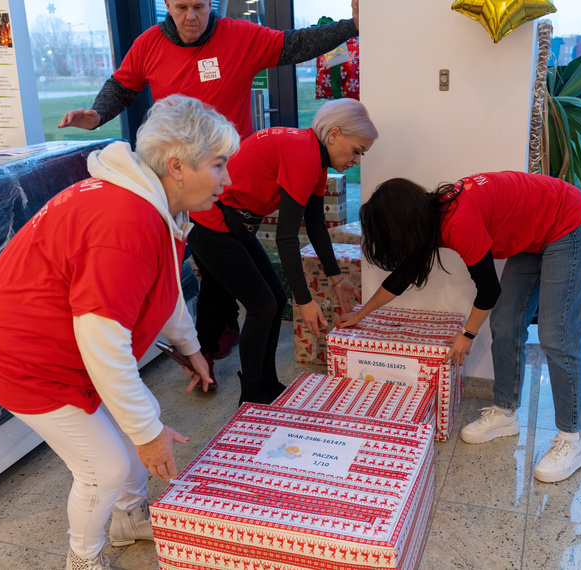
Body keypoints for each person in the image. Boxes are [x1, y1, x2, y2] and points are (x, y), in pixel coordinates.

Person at [0, 95, 237, 570]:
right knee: (104, 466)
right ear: (178, 167)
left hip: (44, 334)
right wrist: (149, 432)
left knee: (127, 431)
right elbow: (103, 345)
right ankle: (82, 559)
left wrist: (190, 349)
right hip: (12, 348)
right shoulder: (126, 220)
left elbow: (162, 287)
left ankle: (128, 519)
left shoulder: (153, 204)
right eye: (220, 165)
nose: (227, 181)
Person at [58, 0, 362, 375]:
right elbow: (122, 86)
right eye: (181, 7)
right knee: (207, 270)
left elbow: (296, 43)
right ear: (167, 4)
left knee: (224, 274)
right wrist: (98, 113)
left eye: (199, 6)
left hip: (227, 187)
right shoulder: (149, 44)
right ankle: (206, 349)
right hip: (176, 185)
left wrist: (351, 25)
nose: (191, 17)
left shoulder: (240, 36)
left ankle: (207, 350)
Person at [338, 171, 581, 483]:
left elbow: (487, 289)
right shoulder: (431, 216)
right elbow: (403, 275)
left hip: (570, 223)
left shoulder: (457, 221)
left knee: (557, 335)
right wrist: (362, 313)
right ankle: (505, 412)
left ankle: (572, 438)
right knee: (505, 323)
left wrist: (467, 334)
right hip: (537, 234)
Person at [187, 98, 377, 405]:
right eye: (357, 150)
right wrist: (304, 301)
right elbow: (287, 236)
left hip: (232, 222)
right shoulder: (303, 154)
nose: (357, 160)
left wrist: (337, 278)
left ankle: (267, 383)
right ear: (334, 135)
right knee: (262, 305)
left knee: (273, 298)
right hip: (209, 222)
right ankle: (251, 396)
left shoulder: (314, 157)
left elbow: (315, 223)